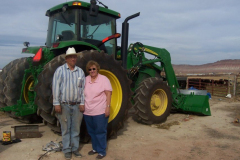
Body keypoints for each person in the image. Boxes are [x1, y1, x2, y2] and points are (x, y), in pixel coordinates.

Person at [52, 47, 85, 160]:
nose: (73, 59)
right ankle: (66, 150)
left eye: (74, 57)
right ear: (66, 59)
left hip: (77, 105)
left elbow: (83, 90)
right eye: (70, 57)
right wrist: (56, 103)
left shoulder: (80, 71)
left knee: (76, 129)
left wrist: (82, 103)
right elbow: (56, 88)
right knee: (65, 129)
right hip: (64, 105)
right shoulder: (60, 71)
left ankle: (75, 149)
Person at [83, 60, 112, 159]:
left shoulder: (104, 79)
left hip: (100, 111)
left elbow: (108, 93)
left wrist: (107, 107)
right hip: (87, 111)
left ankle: (102, 151)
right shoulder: (86, 79)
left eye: (94, 69)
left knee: (100, 131)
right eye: (90, 69)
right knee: (91, 132)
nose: (92, 71)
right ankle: (95, 148)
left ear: (97, 69)